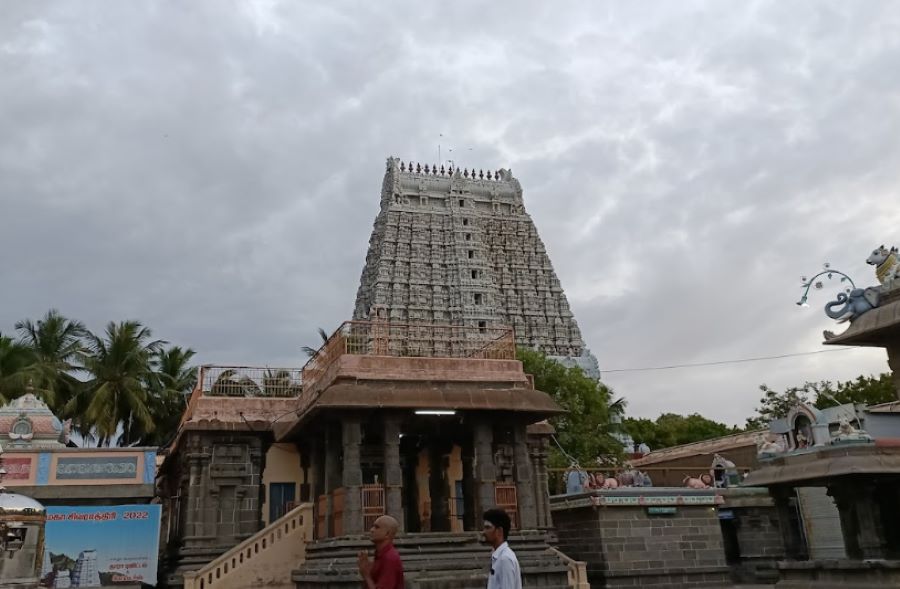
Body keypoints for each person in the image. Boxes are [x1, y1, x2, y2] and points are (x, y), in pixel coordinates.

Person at [357, 515, 404, 589]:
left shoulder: (390, 558)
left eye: (377, 527)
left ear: (387, 534)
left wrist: (366, 575)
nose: (371, 530)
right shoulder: (379, 555)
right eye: (373, 526)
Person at [482, 508, 522, 589]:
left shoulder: (505, 559)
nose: (484, 532)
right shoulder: (498, 556)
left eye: (488, 527)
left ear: (499, 531)